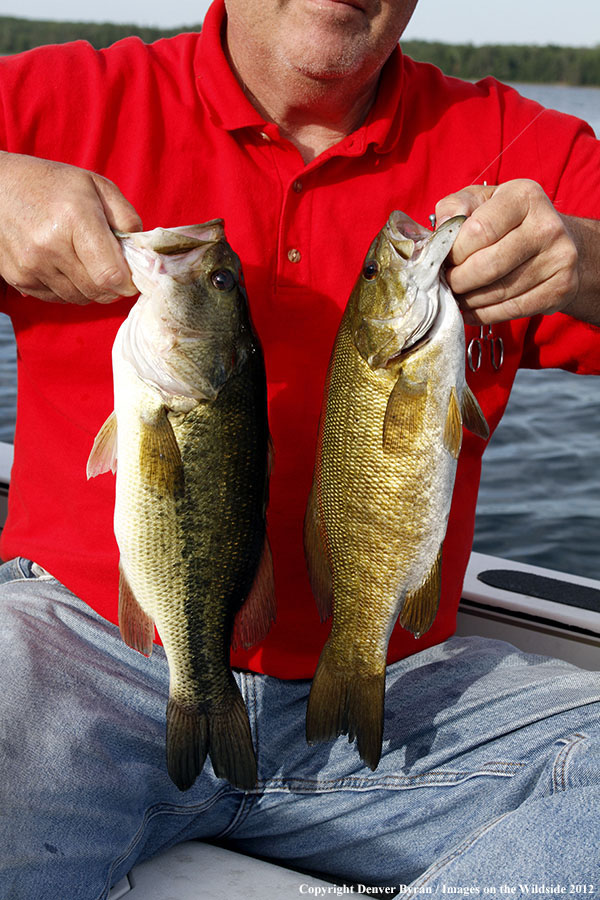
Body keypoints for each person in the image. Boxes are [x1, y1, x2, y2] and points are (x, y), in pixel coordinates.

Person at [0, 0, 599, 896]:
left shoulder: (533, 152)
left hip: (405, 689)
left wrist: (588, 262)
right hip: (81, 658)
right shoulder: (57, 97)